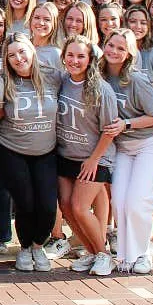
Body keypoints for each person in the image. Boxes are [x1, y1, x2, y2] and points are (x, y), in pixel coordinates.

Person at [99, 28, 153, 275]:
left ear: (129, 54)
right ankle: (126, 255)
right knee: (120, 201)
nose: (114, 52)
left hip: (148, 143)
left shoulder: (136, 80)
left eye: (120, 48)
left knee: (139, 201)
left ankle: (142, 253)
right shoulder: (100, 75)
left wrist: (127, 124)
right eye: (111, 45)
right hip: (123, 147)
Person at [0, 32, 59, 273]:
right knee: (26, 202)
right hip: (12, 149)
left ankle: (38, 245)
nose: (18, 58)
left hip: (46, 150)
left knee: (48, 206)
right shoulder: (4, 80)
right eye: (11, 55)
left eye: (22, 51)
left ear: (32, 51)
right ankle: (24, 248)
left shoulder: (52, 77)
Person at [56, 34, 120, 277]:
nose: (75, 60)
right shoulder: (62, 82)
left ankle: (104, 254)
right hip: (66, 154)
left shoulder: (101, 89)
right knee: (67, 208)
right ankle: (92, 252)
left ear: (90, 59)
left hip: (94, 157)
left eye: (81, 56)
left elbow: (109, 130)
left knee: (80, 207)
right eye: (70, 55)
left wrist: (94, 159)